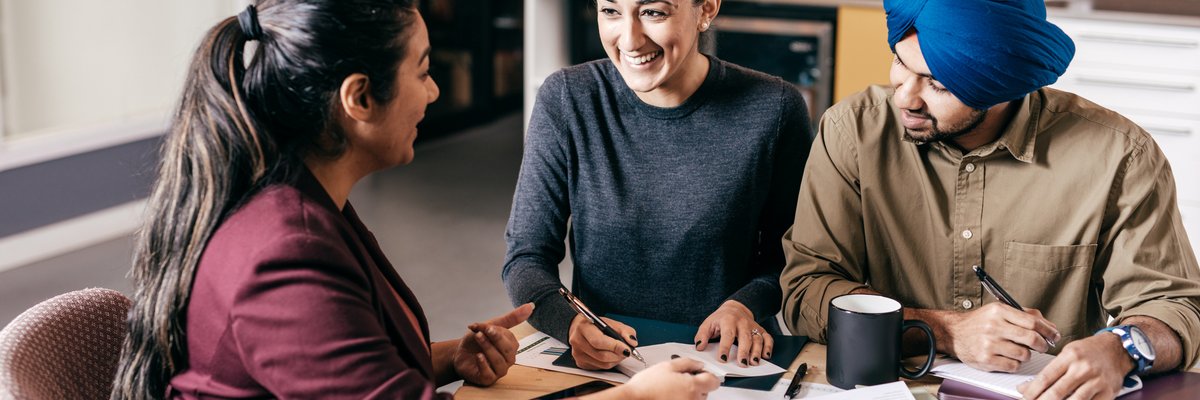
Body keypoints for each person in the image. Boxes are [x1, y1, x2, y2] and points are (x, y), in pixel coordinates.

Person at [110, 1, 719, 399]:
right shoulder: (282, 253)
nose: (433, 92)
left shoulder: (307, 204)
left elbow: (328, 372)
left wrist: (448, 359)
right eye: (422, 70)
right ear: (359, 98)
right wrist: (635, 397)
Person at [780, 0, 1200, 399]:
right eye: (901, 64)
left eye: (939, 84)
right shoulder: (852, 132)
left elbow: (1175, 306)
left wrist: (1121, 348)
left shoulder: (1118, 156)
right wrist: (945, 331)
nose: (905, 98)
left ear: (1004, 87)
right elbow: (806, 290)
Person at [502, 0, 812, 371]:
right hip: (608, 363)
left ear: (706, 9)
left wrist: (745, 304)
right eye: (611, 12)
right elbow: (527, 256)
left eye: (653, 12)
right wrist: (570, 323)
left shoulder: (774, 108)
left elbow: (794, 256)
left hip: (726, 362)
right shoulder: (567, 99)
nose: (630, 40)